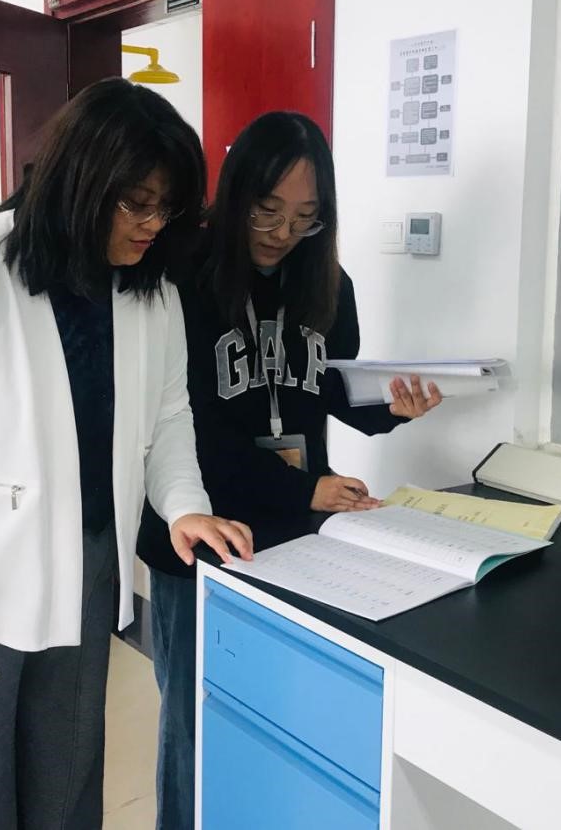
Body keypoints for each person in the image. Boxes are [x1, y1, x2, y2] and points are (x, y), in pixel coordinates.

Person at [0, 78, 253, 830]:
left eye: (166, 207)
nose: (152, 224)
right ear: (79, 179)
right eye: (135, 202)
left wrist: (184, 507)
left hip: (85, 575)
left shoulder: (151, 293)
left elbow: (169, 418)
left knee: (65, 778)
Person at [136, 110, 442, 830]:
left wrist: (393, 410)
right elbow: (183, 425)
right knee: (196, 721)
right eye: (267, 211)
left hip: (297, 535)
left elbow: (327, 391)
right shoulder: (182, 273)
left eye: (305, 217)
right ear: (236, 194)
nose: (281, 232)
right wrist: (305, 487)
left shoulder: (327, 282)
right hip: (200, 533)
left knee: (273, 717)